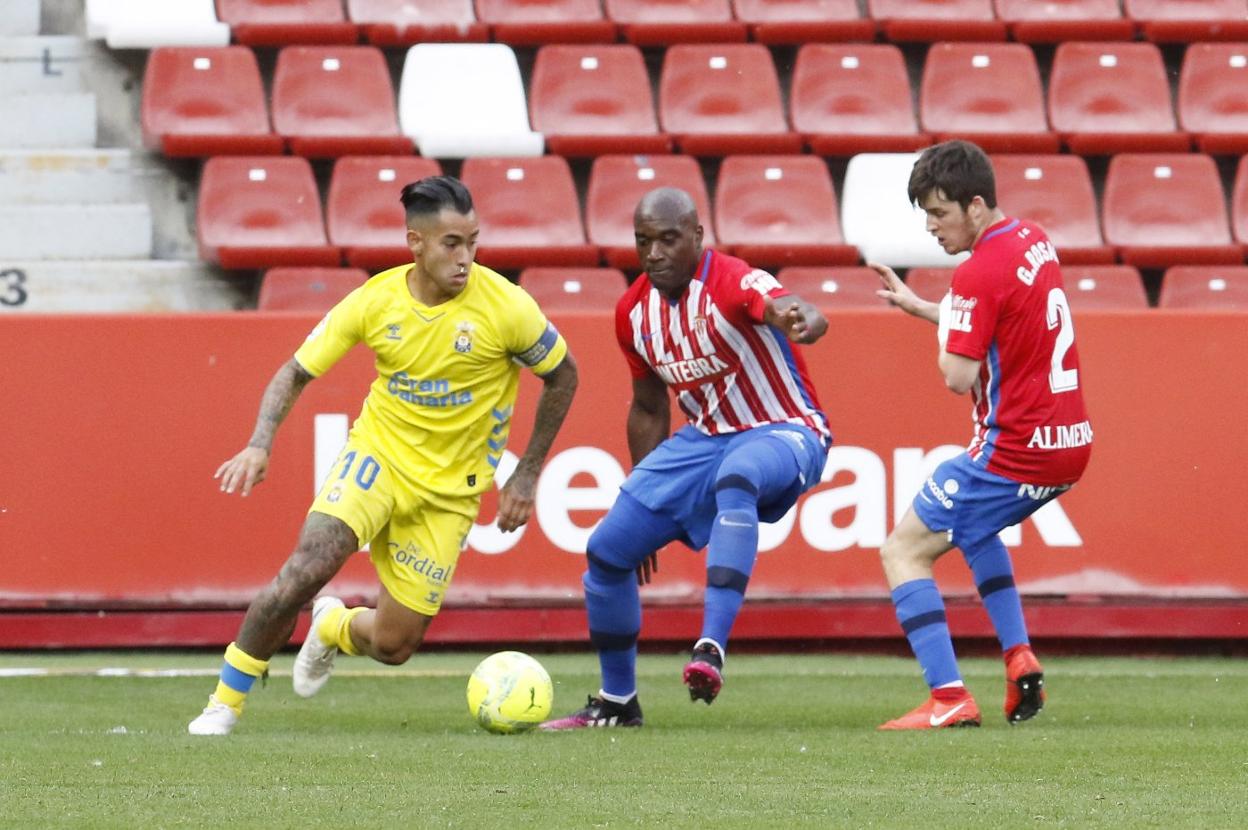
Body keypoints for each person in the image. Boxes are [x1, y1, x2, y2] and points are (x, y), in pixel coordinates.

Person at [188, 176, 578, 736]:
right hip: (378, 460)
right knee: (306, 568)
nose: (465, 257)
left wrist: (529, 471)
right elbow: (296, 371)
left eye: (472, 241)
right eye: (451, 243)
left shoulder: (507, 308)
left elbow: (564, 375)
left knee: (395, 646)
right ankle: (224, 702)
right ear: (415, 243)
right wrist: (260, 441)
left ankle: (332, 627)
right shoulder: (376, 301)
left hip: (449, 492)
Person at [541, 187, 832, 730]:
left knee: (738, 475)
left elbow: (781, 304)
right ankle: (617, 703)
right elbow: (649, 407)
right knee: (607, 551)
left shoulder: (730, 280)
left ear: (697, 237)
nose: (653, 253)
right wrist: (643, 493)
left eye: (667, 239)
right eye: (643, 241)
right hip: (707, 440)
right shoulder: (633, 312)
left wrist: (802, 318)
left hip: (786, 429)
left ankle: (711, 649)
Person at [869, 140, 1092, 730]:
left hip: (1014, 449)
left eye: (938, 213)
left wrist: (950, 327)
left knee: (902, 549)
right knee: (973, 525)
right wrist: (923, 307)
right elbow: (1001, 314)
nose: (930, 227)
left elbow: (957, 375)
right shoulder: (1032, 238)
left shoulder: (974, 272)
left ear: (973, 205)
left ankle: (948, 698)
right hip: (1069, 443)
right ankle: (1020, 658)